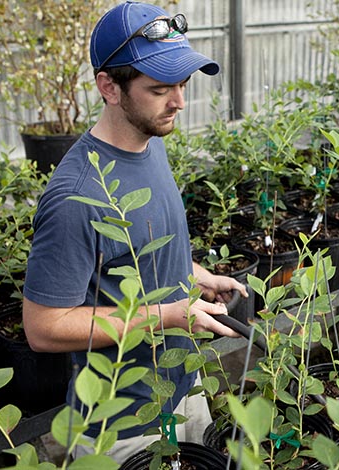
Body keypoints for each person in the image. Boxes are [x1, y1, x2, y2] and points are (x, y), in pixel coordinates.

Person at [22, 0, 247, 463]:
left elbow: (138, 246)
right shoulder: (76, 196)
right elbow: (43, 329)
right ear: (109, 87)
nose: (180, 102)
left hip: (179, 381)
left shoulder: (149, 141)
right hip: (120, 421)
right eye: (161, 88)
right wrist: (166, 316)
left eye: (182, 84)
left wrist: (194, 274)